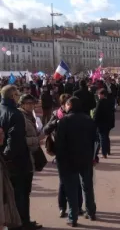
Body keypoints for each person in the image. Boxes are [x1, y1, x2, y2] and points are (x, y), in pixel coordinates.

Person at [0, 85, 39, 230]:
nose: (19, 96)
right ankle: (23, 222)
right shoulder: (15, 114)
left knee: (10, 194)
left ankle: (12, 221)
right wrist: (7, 157)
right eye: (17, 94)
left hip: (5, 159)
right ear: (12, 96)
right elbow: (14, 140)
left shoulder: (1, 109)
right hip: (17, 160)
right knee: (22, 192)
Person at [55, 97, 97, 227]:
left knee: (71, 189)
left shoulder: (64, 121)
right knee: (87, 186)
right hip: (86, 158)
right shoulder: (89, 120)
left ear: (70, 105)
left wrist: (59, 158)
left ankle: (73, 217)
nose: (65, 107)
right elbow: (95, 141)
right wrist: (94, 157)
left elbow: (59, 143)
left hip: (68, 160)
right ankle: (91, 211)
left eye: (67, 105)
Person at [43, 94, 84, 219]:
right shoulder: (57, 115)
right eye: (66, 103)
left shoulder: (77, 116)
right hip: (61, 153)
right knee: (63, 182)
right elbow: (46, 130)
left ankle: (78, 206)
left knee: (76, 181)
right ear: (63, 105)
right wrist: (56, 122)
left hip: (75, 152)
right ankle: (62, 207)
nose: (68, 106)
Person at [17, 94, 44, 230]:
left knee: (25, 192)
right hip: (23, 157)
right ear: (21, 104)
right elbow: (20, 140)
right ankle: (23, 221)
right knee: (22, 193)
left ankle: (25, 219)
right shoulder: (20, 117)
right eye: (28, 103)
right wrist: (37, 139)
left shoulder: (29, 116)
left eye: (32, 103)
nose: (30, 106)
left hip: (29, 157)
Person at [94, 89, 115, 159]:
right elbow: (112, 113)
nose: (98, 96)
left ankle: (104, 153)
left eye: (99, 94)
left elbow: (96, 114)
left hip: (101, 123)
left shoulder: (100, 102)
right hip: (108, 122)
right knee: (106, 136)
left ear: (102, 95)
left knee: (102, 137)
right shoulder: (110, 102)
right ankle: (108, 151)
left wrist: (94, 122)